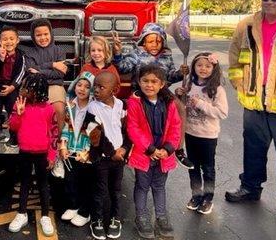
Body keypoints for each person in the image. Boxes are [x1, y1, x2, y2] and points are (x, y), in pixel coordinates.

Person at [225, 0, 276, 223]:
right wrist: (238, 84)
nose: (269, 2)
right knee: (253, 148)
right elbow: (234, 56)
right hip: (254, 99)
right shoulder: (247, 25)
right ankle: (250, 188)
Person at [113, 22, 192, 169]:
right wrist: (117, 54)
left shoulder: (167, 56)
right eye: (150, 41)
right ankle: (128, 148)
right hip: (140, 92)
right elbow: (123, 68)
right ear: (143, 41)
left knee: (180, 108)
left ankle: (178, 149)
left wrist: (181, 73)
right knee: (132, 119)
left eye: (159, 41)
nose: (155, 44)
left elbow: (170, 77)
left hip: (162, 92)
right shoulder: (136, 53)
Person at [126, 64, 181, 239]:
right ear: (139, 82)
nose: (149, 85)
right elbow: (133, 128)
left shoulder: (169, 102)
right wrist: (149, 149)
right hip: (144, 153)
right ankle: (141, 217)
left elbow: (175, 126)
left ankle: (161, 216)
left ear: (162, 84)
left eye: (154, 82)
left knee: (159, 186)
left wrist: (168, 149)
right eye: (145, 81)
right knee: (142, 186)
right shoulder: (135, 102)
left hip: (163, 155)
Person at [175, 52, 228, 215]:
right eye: (199, 65)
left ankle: (208, 198)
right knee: (193, 167)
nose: (203, 69)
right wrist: (179, 95)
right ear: (193, 67)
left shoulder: (216, 89)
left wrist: (201, 104)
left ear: (214, 68)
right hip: (190, 133)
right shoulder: (189, 85)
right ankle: (196, 196)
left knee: (208, 169)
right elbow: (182, 107)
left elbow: (222, 113)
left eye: (207, 66)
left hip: (207, 136)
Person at [8, 73, 58, 237]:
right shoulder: (19, 105)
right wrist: (19, 114)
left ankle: (45, 216)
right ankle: (21, 213)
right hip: (25, 152)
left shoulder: (49, 109)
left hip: (42, 153)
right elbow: (13, 127)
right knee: (25, 182)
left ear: (37, 92)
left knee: (44, 185)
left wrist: (51, 155)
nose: (22, 91)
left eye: (27, 89)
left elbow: (54, 133)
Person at [86, 71, 131, 240]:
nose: (96, 90)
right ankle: (96, 220)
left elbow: (127, 131)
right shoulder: (92, 107)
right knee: (100, 190)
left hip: (120, 157)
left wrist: (124, 149)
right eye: (95, 86)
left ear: (115, 90)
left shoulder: (122, 106)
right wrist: (112, 153)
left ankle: (115, 219)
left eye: (101, 87)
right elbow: (95, 134)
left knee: (116, 190)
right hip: (102, 158)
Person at [59, 72, 95, 228]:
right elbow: (66, 126)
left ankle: (85, 212)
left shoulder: (94, 108)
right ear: (74, 86)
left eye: (87, 87)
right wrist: (63, 144)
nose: (82, 89)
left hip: (85, 153)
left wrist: (87, 151)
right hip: (71, 151)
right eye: (79, 85)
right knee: (70, 180)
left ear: (92, 90)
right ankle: (73, 206)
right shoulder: (70, 105)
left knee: (86, 182)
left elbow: (95, 132)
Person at [25, 18, 67, 132]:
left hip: (55, 86)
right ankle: (39, 141)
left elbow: (60, 74)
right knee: (35, 113)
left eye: (45, 34)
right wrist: (52, 64)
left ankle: (59, 142)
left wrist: (40, 71)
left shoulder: (59, 51)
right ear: (33, 37)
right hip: (36, 87)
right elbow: (30, 71)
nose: (43, 38)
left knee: (59, 108)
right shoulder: (29, 54)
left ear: (51, 33)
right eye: (38, 35)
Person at [0, 25, 26, 142]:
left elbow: (21, 73)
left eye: (12, 39)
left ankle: (14, 135)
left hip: (11, 86)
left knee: (14, 107)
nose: (8, 42)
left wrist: (13, 87)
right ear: (0, 41)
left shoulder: (21, 56)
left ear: (17, 40)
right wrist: (1, 59)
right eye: (5, 39)